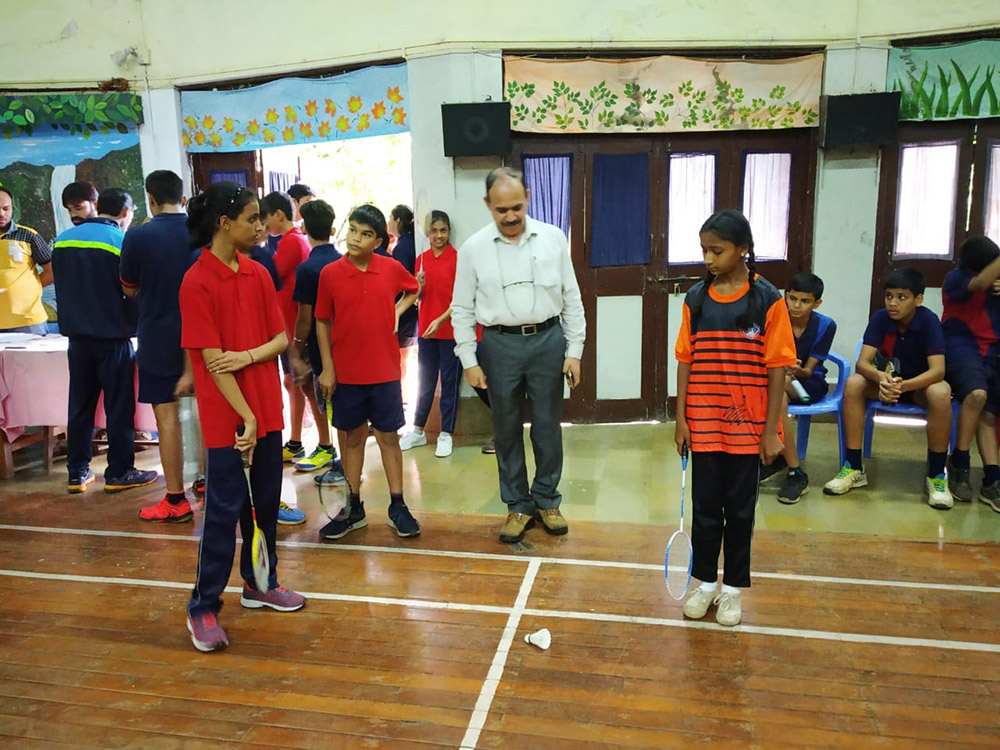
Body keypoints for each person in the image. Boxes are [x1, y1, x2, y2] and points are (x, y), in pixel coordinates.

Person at [180, 181, 305, 652]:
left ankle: (260, 583)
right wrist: (245, 418)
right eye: (252, 219)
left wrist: (249, 357)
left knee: (265, 504)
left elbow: (280, 339)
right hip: (227, 417)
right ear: (223, 224)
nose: (261, 226)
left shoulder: (257, 273)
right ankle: (203, 606)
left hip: (265, 410)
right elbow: (214, 363)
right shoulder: (196, 281)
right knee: (224, 511)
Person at [451, 166, 586, 544]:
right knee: (506, 429)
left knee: (547, 427)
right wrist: (469, 360)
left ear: (527, 197)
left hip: (548, 341)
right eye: (501, 210)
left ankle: (547, 500)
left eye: (517, 207)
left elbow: (572, 297)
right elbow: (461, 309)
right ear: (487, 204)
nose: (510, 217)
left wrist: (574, 350)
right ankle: (517, 505)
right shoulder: (473, 249)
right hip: (499, 345)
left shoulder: (553, 238)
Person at [674, 209, 796, 627]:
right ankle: (706, 583)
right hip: (704, 422)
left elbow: (777, 368)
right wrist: (681, 419)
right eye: (704, 251)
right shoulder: (696, 299)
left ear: (743, 249)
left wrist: (770, 432)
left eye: (717, 250)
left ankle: (732, 592)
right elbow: (685, 360)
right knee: (706, 509)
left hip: (748, 426)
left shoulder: (768, 300)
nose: (708, 259)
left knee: (741, 513)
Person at [314, 204, 421, 540]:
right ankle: (353, 508)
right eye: (353, 230)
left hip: (385, 372)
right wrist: (328, 368)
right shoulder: (330, 273)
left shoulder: (390, 268)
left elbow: (414, 288)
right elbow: (322, 321)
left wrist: (396, 310)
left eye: (365, 234)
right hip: (346, 375)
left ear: (378, 242)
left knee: (389, 438)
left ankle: (398, 505)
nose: (356, 238)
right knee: (353, 439)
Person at [52, 188, 158, 494]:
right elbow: (132, 289)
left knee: (80, 406)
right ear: (126, 212)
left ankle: (77, 473)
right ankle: (119, 471)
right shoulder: (121, 242)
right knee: (118, 407)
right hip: (113, 339)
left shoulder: (63, 240)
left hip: (76, 339)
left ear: (98, 206)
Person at [823, 268, 953, 509]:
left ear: (918, 299)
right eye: (889, 296)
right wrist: (881, 378)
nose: (893, 303)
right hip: (886, 385)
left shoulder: (929, 321)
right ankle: (853, 468)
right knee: (854, 383)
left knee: (941, 391)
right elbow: (863, 363)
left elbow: (938, 371)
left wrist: (902, 386)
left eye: (902, 297)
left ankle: (937, 476)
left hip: (918, 388)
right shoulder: (880, 318)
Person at [119, 170, 196, 522]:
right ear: (183, 198)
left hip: (157, 335)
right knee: (209, 415)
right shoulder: (200, 231)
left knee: (167, 421)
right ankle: (210, 486)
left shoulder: (138, 235)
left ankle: (176, 499)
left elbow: (129, 286)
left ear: (149, 198)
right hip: (202, 336)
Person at [260, 191, 332, 477]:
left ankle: (325, 444)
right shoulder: (296, 241)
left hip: (296, 329)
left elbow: (269, 276)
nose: (263, 226)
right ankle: (296, 441)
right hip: (290, 327)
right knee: (296, 385)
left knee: (310, 388)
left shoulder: (291, 242)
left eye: (263, 219)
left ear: (279, 214)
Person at [759, 272, 836, 504]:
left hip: (809, 385)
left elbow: (809, 370)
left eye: (805, 301)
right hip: (779, 384)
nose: (796, 305)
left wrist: (796, 370)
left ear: (817, 303)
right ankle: (795, 470)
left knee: (779, 386)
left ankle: (781, 458)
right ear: (786, 296)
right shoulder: (774, 318)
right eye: (792, 299)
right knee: (779, 395)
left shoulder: (826, 325)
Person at [287, 199, 347, 492]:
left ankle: (341, 464)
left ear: (304, 229)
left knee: (330, 403)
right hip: (346, 342)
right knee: (345, 404)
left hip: (321, 347)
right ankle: (342, 460)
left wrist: (297, 347)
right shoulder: (344, 262)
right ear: (332, 229)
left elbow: (305, 318)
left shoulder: (308, 269)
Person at [941, 236, 1000, 512]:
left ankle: (992, 479)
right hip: (961, 346)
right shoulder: (956, 278)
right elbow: (978, 284)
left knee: (989, 414)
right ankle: (960, 463)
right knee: (976, 395)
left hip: (993, 351)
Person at [399, 210, 462, 458]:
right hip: (426, 331)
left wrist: (441, 319)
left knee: (449, 382)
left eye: (443, 230)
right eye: (434, 231)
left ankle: (446, 433)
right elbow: (418, 297)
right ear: (427, 233)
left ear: (449, 232)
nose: (439, 235)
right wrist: (419, 288)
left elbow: (460, 299)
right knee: (424, 382)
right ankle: (418, 430)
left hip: (450, 331)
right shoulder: (421, 260)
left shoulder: (457, 259)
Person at [0, 186, 53, 334]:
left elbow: (51, 271)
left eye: (6, 208)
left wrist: (27, 287)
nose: (1, 213)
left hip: (29, 320)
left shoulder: (29, 236)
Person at [387, 204, 418, 395]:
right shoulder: (408, 243)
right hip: (409, 311)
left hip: (405, 312)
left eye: (390, 218)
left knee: (402, 358)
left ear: (397, 220)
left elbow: (405, 282)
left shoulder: (401, 248)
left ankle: (400, 396)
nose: (388, 222)